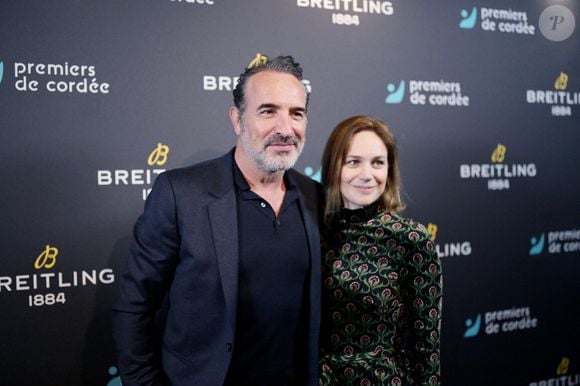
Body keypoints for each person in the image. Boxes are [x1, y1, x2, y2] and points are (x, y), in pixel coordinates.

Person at [112, 55, 321, 386]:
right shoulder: (181, 193)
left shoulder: (315, 197)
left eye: (297, 113)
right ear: (237, 119)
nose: (285, 128)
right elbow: (134, 308)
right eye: (268, 111)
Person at [319, 116, 442, 385]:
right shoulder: (312, 232)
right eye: (353, 162)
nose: (367, 175)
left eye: (378, 162)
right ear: (332, 166)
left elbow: (426, 348)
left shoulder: (411, 240)